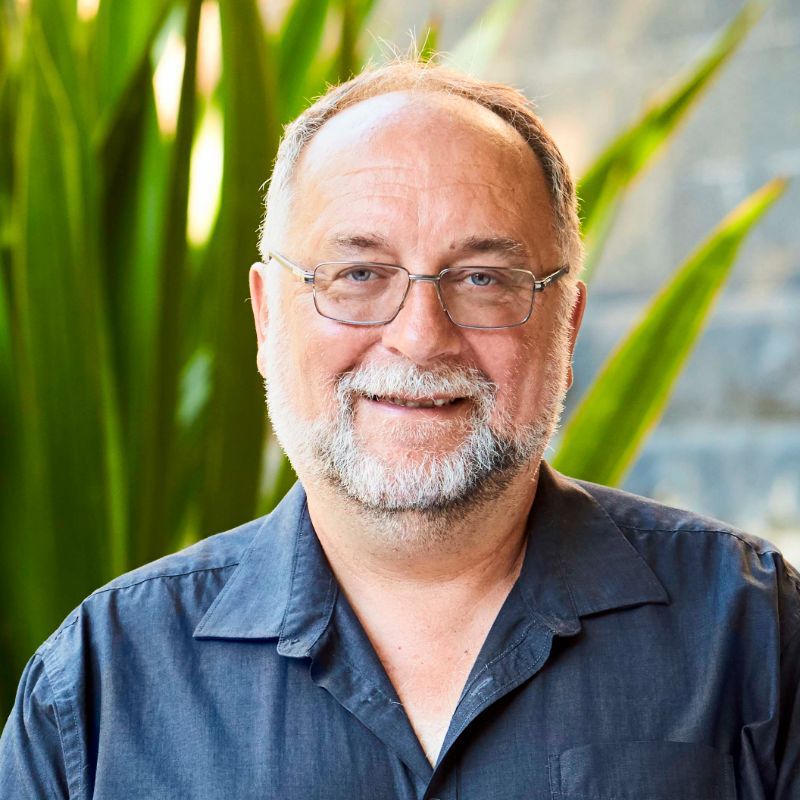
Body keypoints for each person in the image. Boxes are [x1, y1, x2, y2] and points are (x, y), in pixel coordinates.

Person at [1, 59, 798, 800]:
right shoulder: (99, 689)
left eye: (483, 278)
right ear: (266, 316)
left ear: (567, 323)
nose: (420, 336)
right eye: (358, 275)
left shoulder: (755, 639)